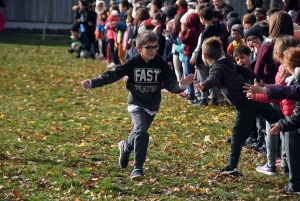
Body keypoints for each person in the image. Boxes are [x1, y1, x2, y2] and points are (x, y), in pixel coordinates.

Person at [81, 31, 194, 181]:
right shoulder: (133, 62)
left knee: (139, 132)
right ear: (139, 48)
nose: (153, 51)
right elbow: (113, 74)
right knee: (141, 130)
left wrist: (181, 85)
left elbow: (170, 84)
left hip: (152, 105)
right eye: (149, 48)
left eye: (155, 47)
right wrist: (93, 82)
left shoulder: (160, 63)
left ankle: (126, 147)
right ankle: (138, 168)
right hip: (136, 103)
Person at [194, 37, 284, 176]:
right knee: (277, 118)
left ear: (204, 55)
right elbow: (243, 70)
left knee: (238, 133)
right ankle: (294, 127)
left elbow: (214, 78)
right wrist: (257, 78)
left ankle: (232, 166)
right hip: (251, 96)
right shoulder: (227, 63)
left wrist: (204, 85)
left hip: (245, 101)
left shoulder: (217, 68)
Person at [244, 48, 300, 195]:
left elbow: (288, 93)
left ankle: (295, 185)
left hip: (292, 121)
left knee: (293, 151)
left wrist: (282, 124)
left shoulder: (296, 81)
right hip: (290, 119)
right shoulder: (293, 80)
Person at [254, 11, 294, 176]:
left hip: (271, 89)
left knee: (271, 127)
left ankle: (271, 164)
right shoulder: (294, 43)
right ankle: (286, 163)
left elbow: (257, 70)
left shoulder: (268, 45)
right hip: (291, 90)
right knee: (286, 126)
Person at [192, 7, 220, 106]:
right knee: (213, 77)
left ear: (202, 18)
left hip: (205, 57)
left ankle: (204, 99)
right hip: (215, 56)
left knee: (203, 78)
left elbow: (201, 48)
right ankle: (214, 98)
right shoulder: (217, 29)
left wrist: (197, 61)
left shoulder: (205, 32)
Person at [179, 12, 202, 101]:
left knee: (189, 74)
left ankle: (191, 92)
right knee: (195, 75)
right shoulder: (200, 30)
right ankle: (196, 92)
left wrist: (183, 31)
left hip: (188, 54)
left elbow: (184, 40)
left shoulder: (190, 31)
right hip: (196, 55)